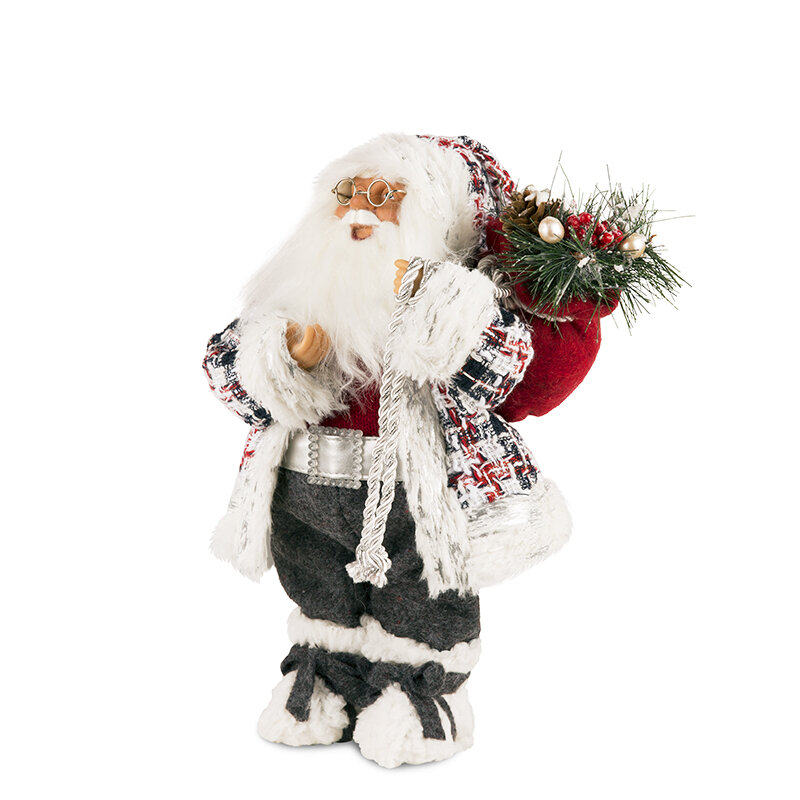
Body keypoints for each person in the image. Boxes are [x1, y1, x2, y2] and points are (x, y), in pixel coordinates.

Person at [203, 133, 611, 768]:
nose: (356, 211)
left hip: (416, 496)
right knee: (315, 583)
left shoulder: (464, 309)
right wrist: (279, 356)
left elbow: (515, 383)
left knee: (424, 592)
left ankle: (422, 692)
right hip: (303, 490)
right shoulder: (301, 295)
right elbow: (230, 377)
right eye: (347, 192)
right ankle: (325, 672)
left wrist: (446, 323)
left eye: (383, 196)